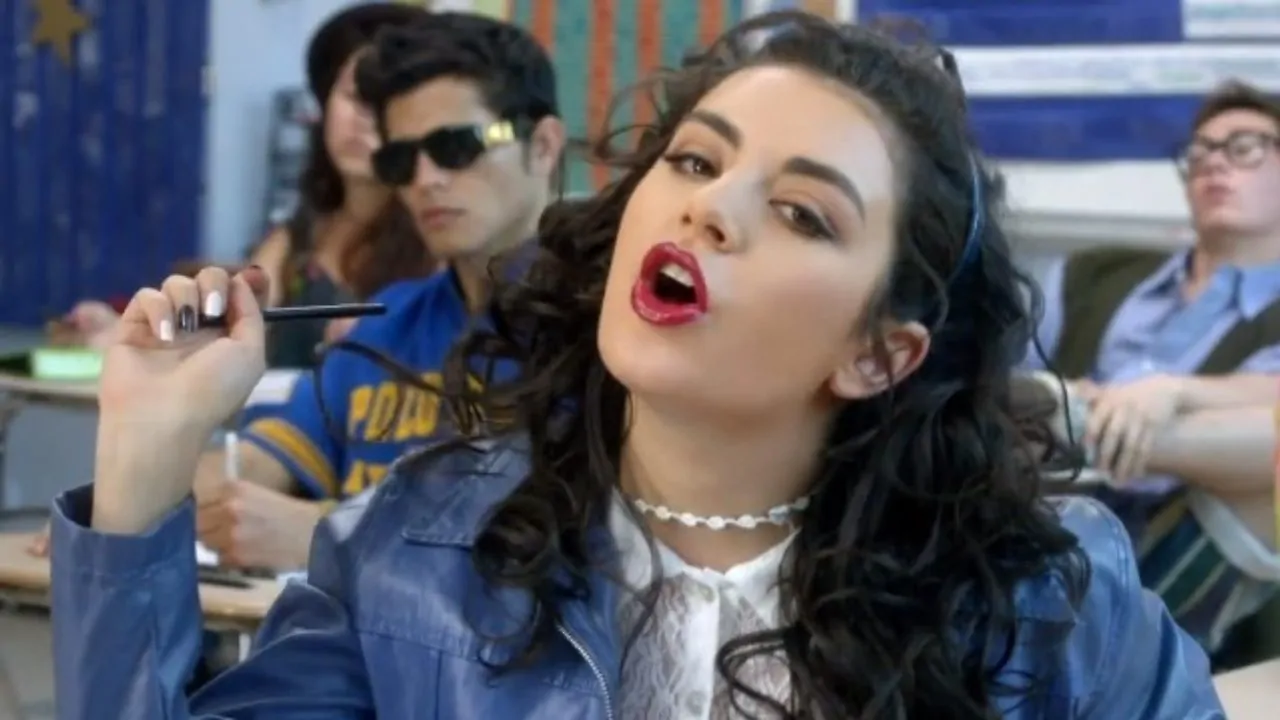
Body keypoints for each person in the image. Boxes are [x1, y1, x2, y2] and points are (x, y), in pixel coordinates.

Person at [49, 12, 1221, 719]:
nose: (708, 210)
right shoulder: (412, 556)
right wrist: (145, 458)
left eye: (803, 214)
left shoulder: (1046, 597)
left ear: (879, 352)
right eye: (695, 161)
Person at [25, 2, 443, 562]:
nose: (364, 118)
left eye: (385, 99)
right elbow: (228, 335)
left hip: (366, 507)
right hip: (267, 472)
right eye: (350, 95)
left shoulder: (441, 251)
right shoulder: (295, 240)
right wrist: (125, 333)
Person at [180, 11, 563, 571]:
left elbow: (569, 549)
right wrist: (138, 496)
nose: (425, 179)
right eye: (400, 159)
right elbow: (255, 464)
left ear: (544, 145)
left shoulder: (603, 334)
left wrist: (331, 538)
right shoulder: (384, 328)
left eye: (457, 147)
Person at [1026, 80, 1280, 653]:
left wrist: (1171, 391)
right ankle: (1071, 429)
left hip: (1187, 525)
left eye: (1243, 148)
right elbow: (1000, 379)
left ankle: (1080, 430)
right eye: (1199, 152)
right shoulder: (1093, 273)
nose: (1213, 162)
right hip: (1034, 501)